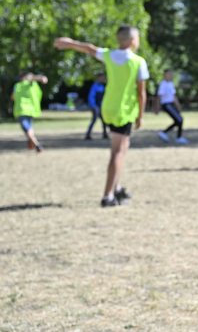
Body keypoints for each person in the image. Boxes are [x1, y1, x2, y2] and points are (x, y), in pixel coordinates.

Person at [54, 26, 149, 207]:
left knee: (120, 148)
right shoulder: (138, 61)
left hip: (108, 108)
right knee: (118, 153)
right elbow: (141, 93)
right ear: (132, 41)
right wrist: (140, 116)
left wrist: (69, 43)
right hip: (124, 111)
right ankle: (108, 196)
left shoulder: (110, 55)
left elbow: (89, 48)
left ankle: (117, 187)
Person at [11, 72, 47, 153]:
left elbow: (12, 97)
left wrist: (41, 78)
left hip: (21, 110)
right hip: (31, 110)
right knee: (29, 128)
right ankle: (32, 144)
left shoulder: (19, 85)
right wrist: (41, 78)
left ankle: (37, 145)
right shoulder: (29, 84)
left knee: (27, 128)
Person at [155, 69, 188, 144]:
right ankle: (176, 137)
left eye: (171, 74)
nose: (170, 75)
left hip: (171, 104)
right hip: (166, 105)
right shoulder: (163, 84)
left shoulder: (170, 83)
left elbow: (174, 96)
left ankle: (165, 133)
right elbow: (159, 97)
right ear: (165, 75)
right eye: (168, 74)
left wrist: (178, 105)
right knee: (179, 120)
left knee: (179, 120)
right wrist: (157, 108)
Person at [85, 72, 108, 140]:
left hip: (102, 106)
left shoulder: (103, 86)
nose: (103, 79)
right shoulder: (95, 86)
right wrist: (93, 106)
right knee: (94, 120)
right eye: (102, 77)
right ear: (98, 78)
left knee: (104, 121)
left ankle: (105, 134)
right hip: (96, 107)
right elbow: (91, 97)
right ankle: (88, 134)